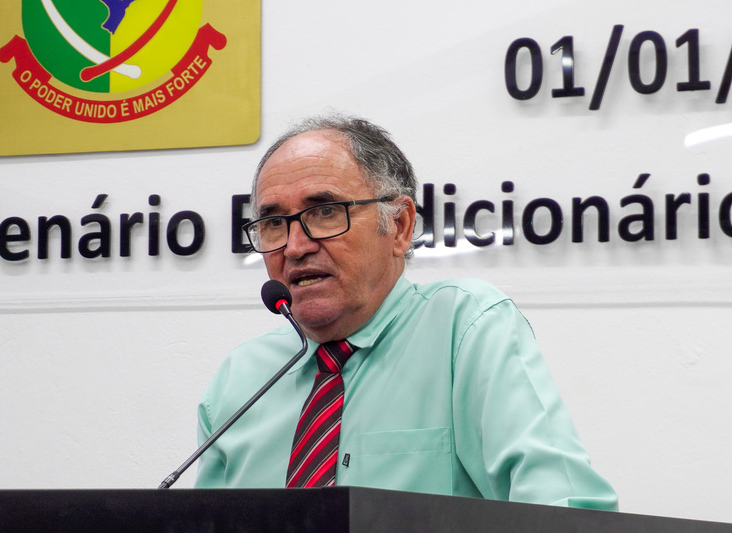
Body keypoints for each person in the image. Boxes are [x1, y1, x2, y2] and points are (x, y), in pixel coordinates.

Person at [194, 114, 618, 510]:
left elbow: (565, 509)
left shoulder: (464, 330)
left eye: (325, 213)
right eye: (273, 223)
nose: (295, 246)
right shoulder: (241, 379)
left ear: (398, 226)